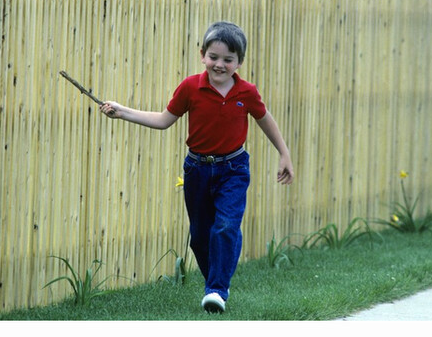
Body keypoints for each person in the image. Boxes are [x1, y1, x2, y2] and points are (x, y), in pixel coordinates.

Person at [99, 21, 294, 313]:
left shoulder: (247, 93)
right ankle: (217, 281)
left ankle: (216, 289)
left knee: (226, 226)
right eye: (213, 57)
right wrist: (122, 112)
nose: (219, 65)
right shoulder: (190, 87)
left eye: (228, 60)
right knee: (200, 236)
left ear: (239, 62)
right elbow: (164, 120)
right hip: (197, 170)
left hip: (233, 168)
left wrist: (284, 153)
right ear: (202, 54)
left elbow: (265, 119)